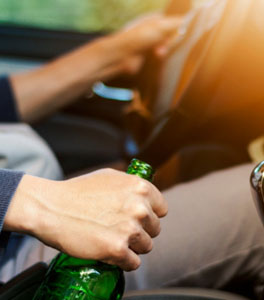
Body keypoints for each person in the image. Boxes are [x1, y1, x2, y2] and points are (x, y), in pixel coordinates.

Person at [0, 15, 181, 276]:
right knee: (247, 215)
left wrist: (116, 53)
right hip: (15, 257)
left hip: (19, 233)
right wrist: (37, 204)